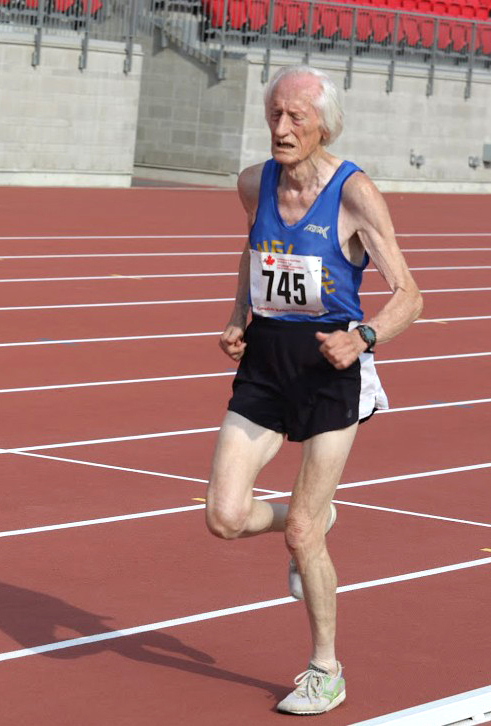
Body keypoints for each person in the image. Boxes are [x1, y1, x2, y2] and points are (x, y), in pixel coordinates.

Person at [205, 64, 423, 716]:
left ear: (321, 123)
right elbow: (255, 250)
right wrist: (238, 315)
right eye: (273, 115)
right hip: (267, 363)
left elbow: (409, 295)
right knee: (224, 517)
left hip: (332, 367)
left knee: (300, 531)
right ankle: (316, 519)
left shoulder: (354, 194)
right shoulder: (254, 184)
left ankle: (325, 669)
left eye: (294, 117)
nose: (279, 128)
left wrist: (364, 337)